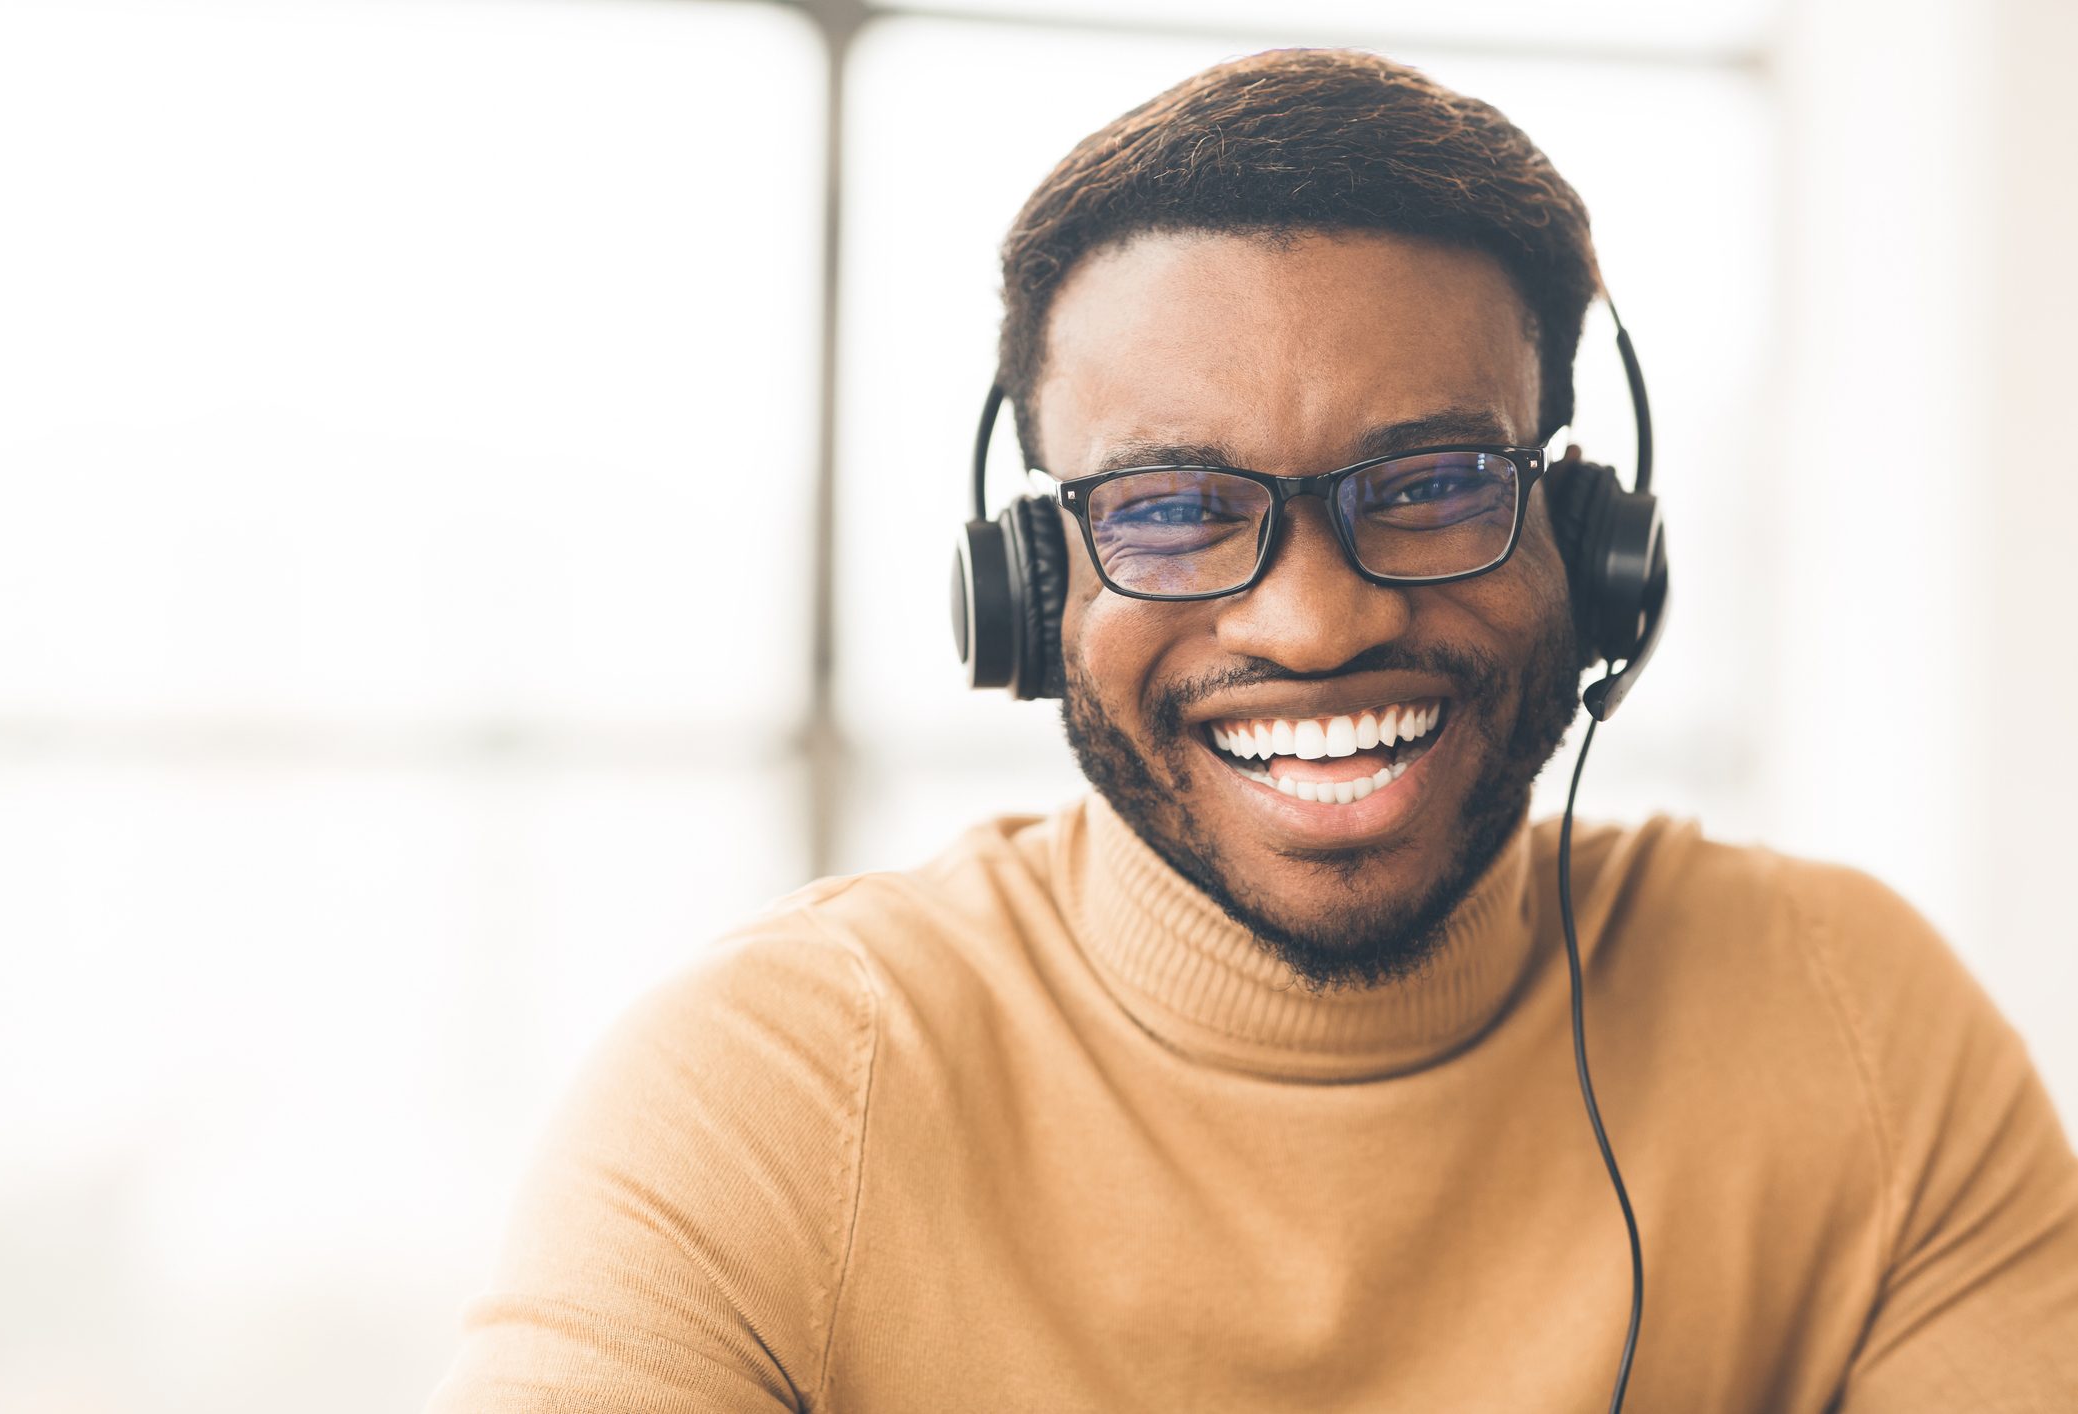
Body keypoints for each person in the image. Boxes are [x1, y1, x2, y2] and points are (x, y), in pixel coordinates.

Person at [427, 48, 2078, 1412]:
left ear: (1590, 549)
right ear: (1030, 583)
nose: (1309, 620)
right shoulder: (763, 1095)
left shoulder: (1851, 1025)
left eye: (1431, 485)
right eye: (1171, 507)